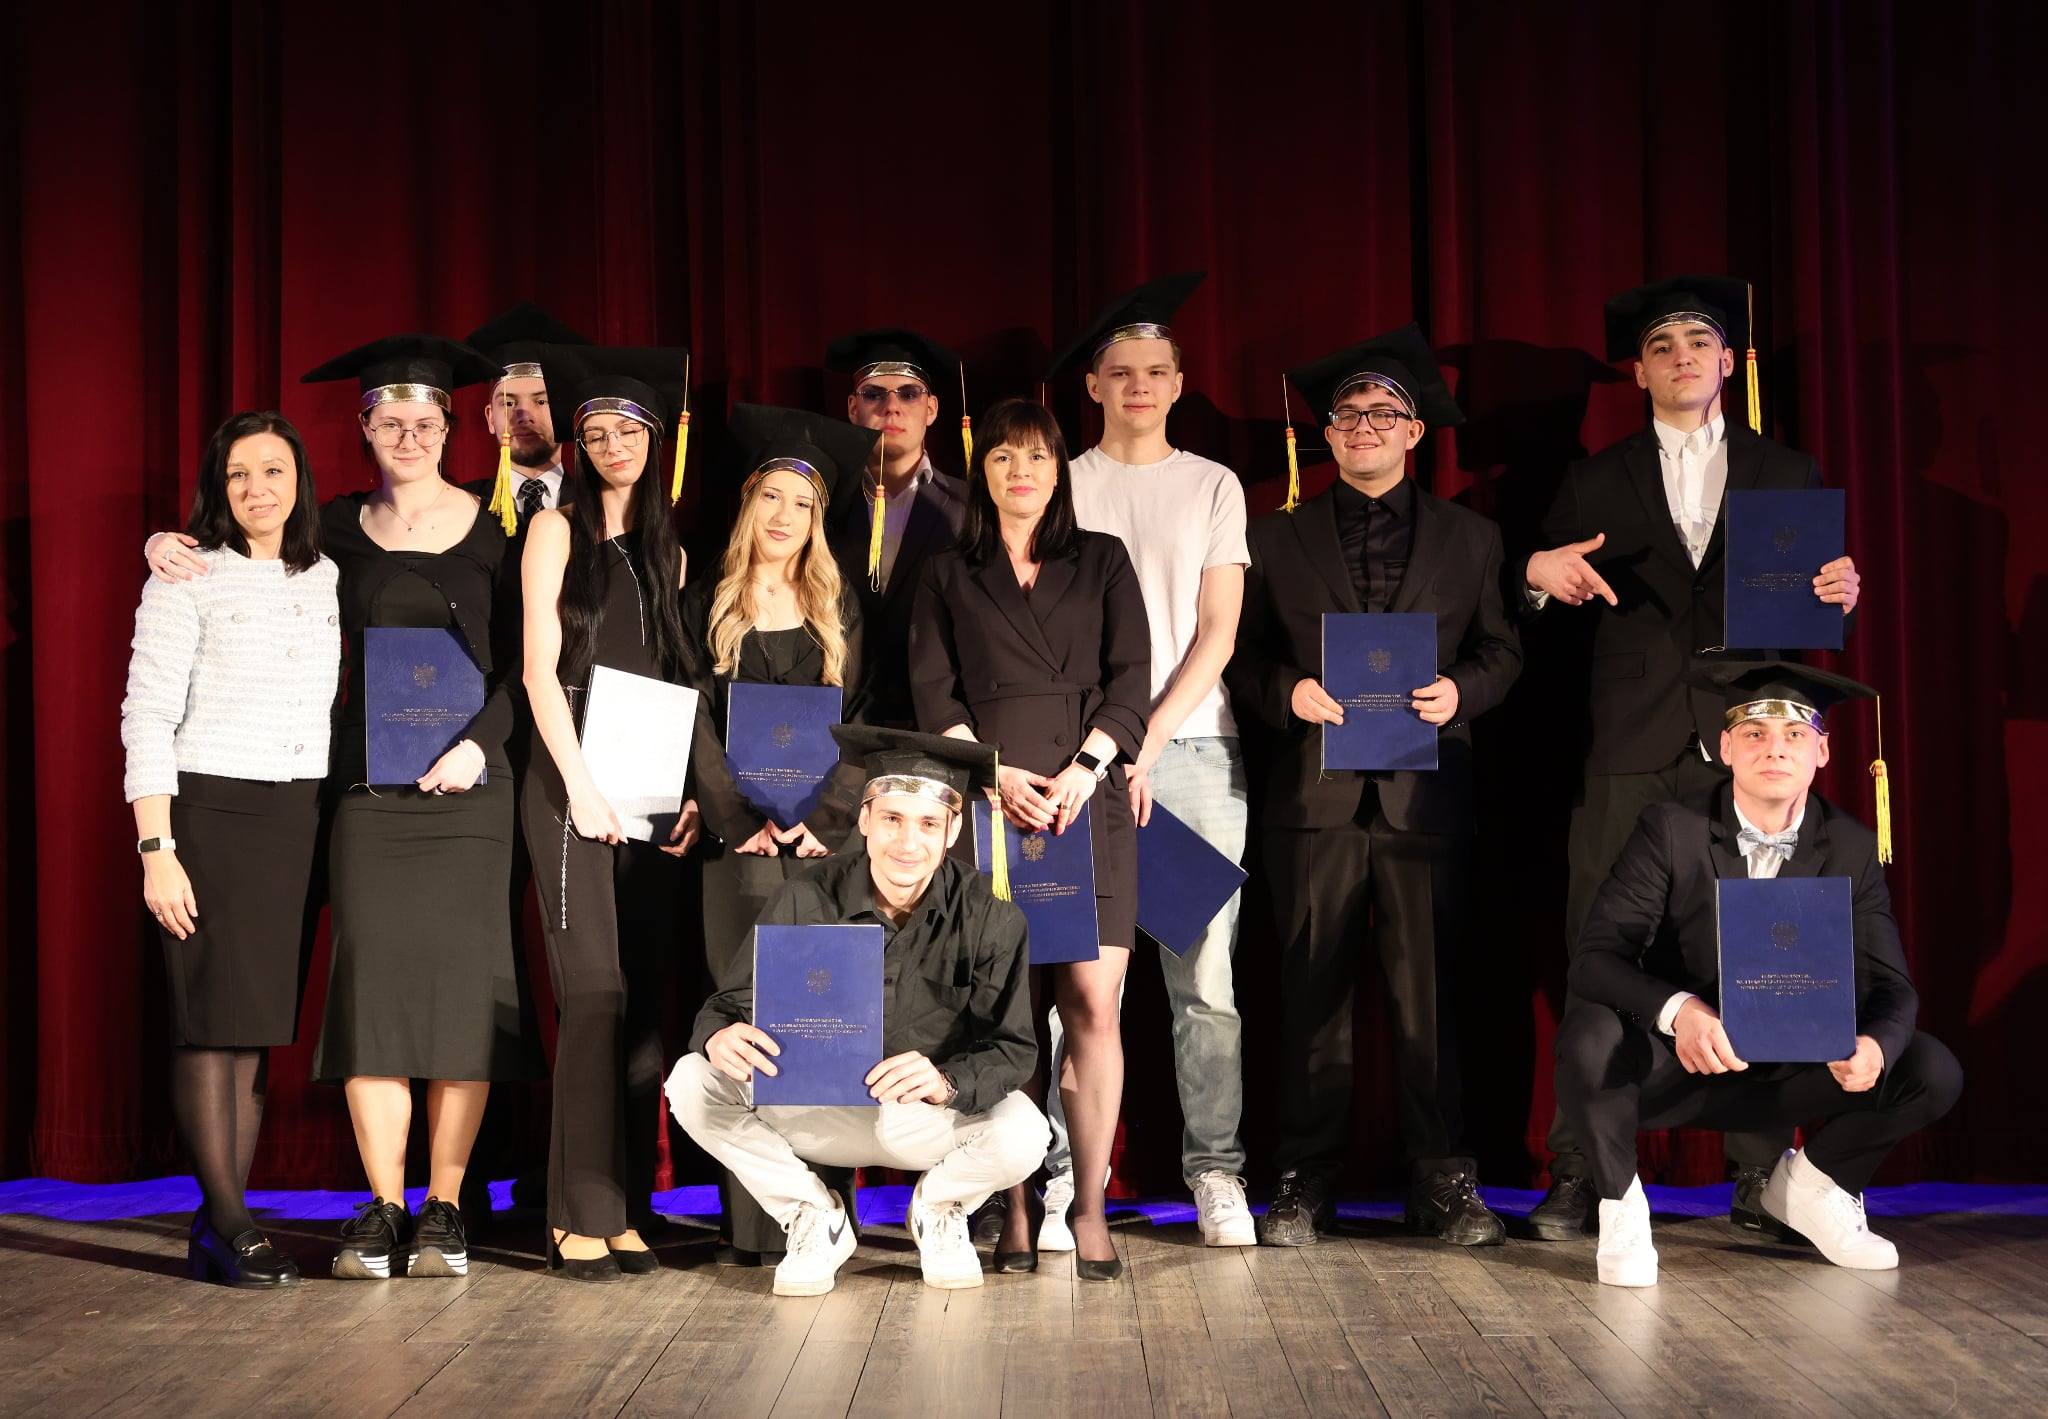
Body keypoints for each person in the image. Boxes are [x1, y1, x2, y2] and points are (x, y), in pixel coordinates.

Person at [1521, 278, 1865, 1240]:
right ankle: (1583, 1169)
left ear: (1727, 361)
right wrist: (1536, 576)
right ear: (1638, 370)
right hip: (1626, 741)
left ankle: (1758, 1172)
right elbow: (1521, 600)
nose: (1681, 357)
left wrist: (1839, 588)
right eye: (1662, 345)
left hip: (1745, 742)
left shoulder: (1786, 472)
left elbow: (1813, 596)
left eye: (1699, 342)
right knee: (1599, 948)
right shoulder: (1594, 477)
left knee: (1761, 946)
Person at [1227, 325, 1522, 1247]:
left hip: (1424, 797)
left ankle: (1442, 1178)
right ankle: (1304, 1181)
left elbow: (1503, 651)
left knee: (1429, 997)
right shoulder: (1273, 538)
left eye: (1383, 412)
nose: (1364, 425)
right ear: (1327, 433)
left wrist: (1460, 692)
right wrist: (1288, 693)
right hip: (1312, 797)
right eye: (1348, 414)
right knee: (1310, 994)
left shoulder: (1473, 537)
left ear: (1415, 430)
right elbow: (1241, 657)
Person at [1556, 662, 1960, 1286]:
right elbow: (1595, 959)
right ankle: (1622, 1206)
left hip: (1794, 1074)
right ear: (1725, 748)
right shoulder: (1671, 829)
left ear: (1822, 752)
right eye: (1755, 734)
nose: (1775, 749)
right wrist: (1681, 1012)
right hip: (1681, 1067)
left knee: (1929, 1068)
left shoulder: (1849, 845)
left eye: (1795, 735)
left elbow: (1894, 988)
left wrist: (1876, 1048)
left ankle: (1813, 1187)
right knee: (1588, 1036)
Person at [301, 333, 540, 1279]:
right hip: (370, 794)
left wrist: (479, 743)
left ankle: (444, 1204)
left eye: (426, 422)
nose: (409, 436)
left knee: (461, 995)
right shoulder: (331, 527)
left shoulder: (499, 530)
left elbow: (529, 667)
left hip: (474, 794)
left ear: (451, 428)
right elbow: (241, 551)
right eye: (390, 422)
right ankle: (384, 1205)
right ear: (364, 429)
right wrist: (168, 543)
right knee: (372, 993)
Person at [666, 726, 1047, 1297]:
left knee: (1025, 1133)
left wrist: (946, 1081)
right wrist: (720, 1035)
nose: (908, 843)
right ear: (865, 819)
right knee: (692, 1080)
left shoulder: (992, 918)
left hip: (923, 1120)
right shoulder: (805, 897)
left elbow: (1012, 1050)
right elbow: (729, 1004)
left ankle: (939, 1210)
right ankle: (814, 1215)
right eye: (892, 819)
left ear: (953, 830)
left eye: (928, 824)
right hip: (818, 1111)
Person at [1033, 271, 1255, 1250]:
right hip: (1074, 758)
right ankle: (1062, 1178)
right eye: (1120, 371)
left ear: (1178, 383)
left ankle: (1215, 1172)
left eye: (1155, 371)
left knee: (1205, 980)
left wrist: (1146, 741)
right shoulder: (1060, 481)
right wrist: (1099, 752)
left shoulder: (1211, 485)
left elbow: (1217, 632)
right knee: (1078, 984)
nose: (1138, 385)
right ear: (1092, 385)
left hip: (1192, 750)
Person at [910, 396, 1152, 1279]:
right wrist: (993, 771)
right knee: (1003, 1013)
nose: (1022, 471)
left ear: (1059, 471)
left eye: (1038, 457)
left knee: (1092, 1005)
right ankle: (1012, 1205)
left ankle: (1086, 1204)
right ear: (983, 470)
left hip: (1087, 802)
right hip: (991, 807)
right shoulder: (946, 571)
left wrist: (1086, 768)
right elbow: (934, 691)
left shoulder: (1104, 558)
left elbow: (1132, 677)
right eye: (1005, 457)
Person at [121, 411, 340, 1288]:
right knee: (209, 1026)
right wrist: (157, 847)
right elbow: (146, 715)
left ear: (299, 481)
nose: (257, 488)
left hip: (294, 822)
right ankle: (231, 1223)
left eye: (273, 470)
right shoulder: (185, 576)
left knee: (251, 1033)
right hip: (207, 817)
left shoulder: (325, 573)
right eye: (239, 473)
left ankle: (221, 1224)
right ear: (218, 486)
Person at [520, 345, 702, 1281]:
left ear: (652, 439)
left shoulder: (671, 551)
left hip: (651, 786)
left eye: (628, 430)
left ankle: (626, 1205)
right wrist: (581, 784)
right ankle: (574, 1213)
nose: (613, 446)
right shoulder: (556, 531)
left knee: (640, 1005)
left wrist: (690, 796)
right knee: (592, 993)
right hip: (571, 781)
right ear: (579, 448)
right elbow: (535, 670)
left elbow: (680, 682)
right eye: (594, 434)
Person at [685, 403, 879, 1264]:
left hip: (826, 853)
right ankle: (760, 1224)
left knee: (820, 1024)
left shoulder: (841, 608)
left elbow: (863, 723)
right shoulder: (707, 603)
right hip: (741, 853)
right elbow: (695, 721)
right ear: (747, 501)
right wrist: (741, 819)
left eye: (801, 503)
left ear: (818, 519)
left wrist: (823, 820)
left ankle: (825, 1210)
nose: (783, 515)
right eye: (771, 496)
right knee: (747, 1023)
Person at [823, 328, 970, 729]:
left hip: (939, 720)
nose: (891, 407)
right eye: (874, 394)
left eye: (909, 394)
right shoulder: (817, 505)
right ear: (853, 408)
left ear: (932, 408)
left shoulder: (971, 509)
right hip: (837, 719)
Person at [460, 301, 592, 530]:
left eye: (541, 401)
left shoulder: (597, 507)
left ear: (565, 411)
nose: (524, 415)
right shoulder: (462, 507)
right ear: (490, 418)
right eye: (509, 403)